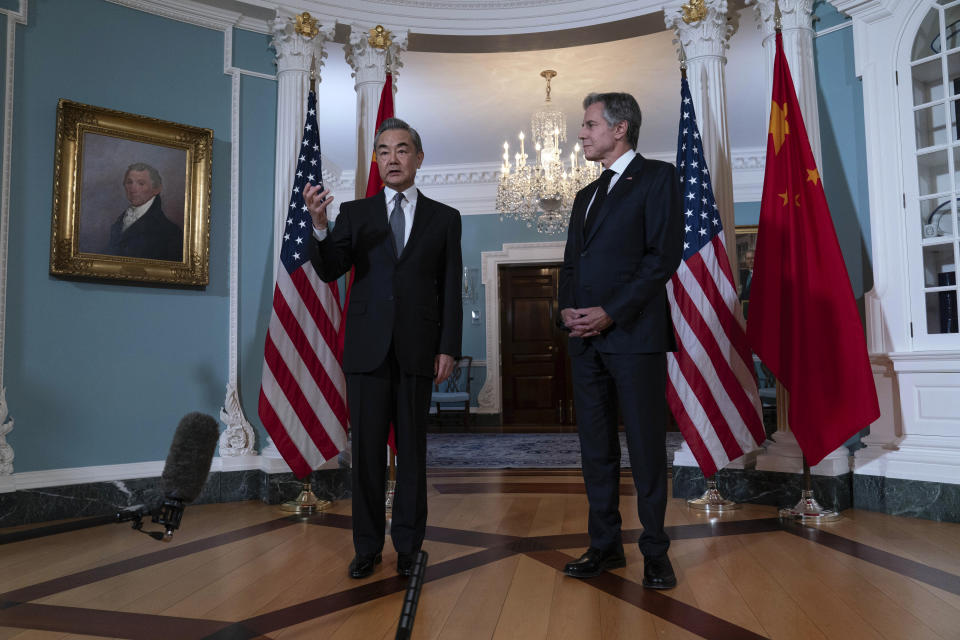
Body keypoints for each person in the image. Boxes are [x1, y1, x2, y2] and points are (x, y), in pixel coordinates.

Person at [303, 117, 462, 580]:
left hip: (419, 350)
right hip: (366, 351)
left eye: (402, 149)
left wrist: (448, 347)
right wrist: (319, 226)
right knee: (368, 455)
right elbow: (332, 268)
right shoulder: (356, 214)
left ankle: (410, 547)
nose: (393, 158)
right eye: (384, 150)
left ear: (418, 157)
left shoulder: (445, 218)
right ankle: (367, 547)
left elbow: (450, 287)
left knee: (413, 454)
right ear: (377, 158)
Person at [558, 92, 683, 589]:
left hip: (635, 337)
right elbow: (571, 263)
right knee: (596, 450)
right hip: (584, 342)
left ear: (620, 128)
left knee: (647, 448)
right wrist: (566, 310)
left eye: (589, 125)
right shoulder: (584, 196)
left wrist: (610, 313)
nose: (582, 133)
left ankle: (654, 550)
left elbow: (662, 258)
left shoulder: (658, 178)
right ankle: (606, 546)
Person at [104, 163, 183, 261]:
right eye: (129, 182)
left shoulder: (171, 232)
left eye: (141, 183)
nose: (133, 189)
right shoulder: (119, 222)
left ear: (157, 189)